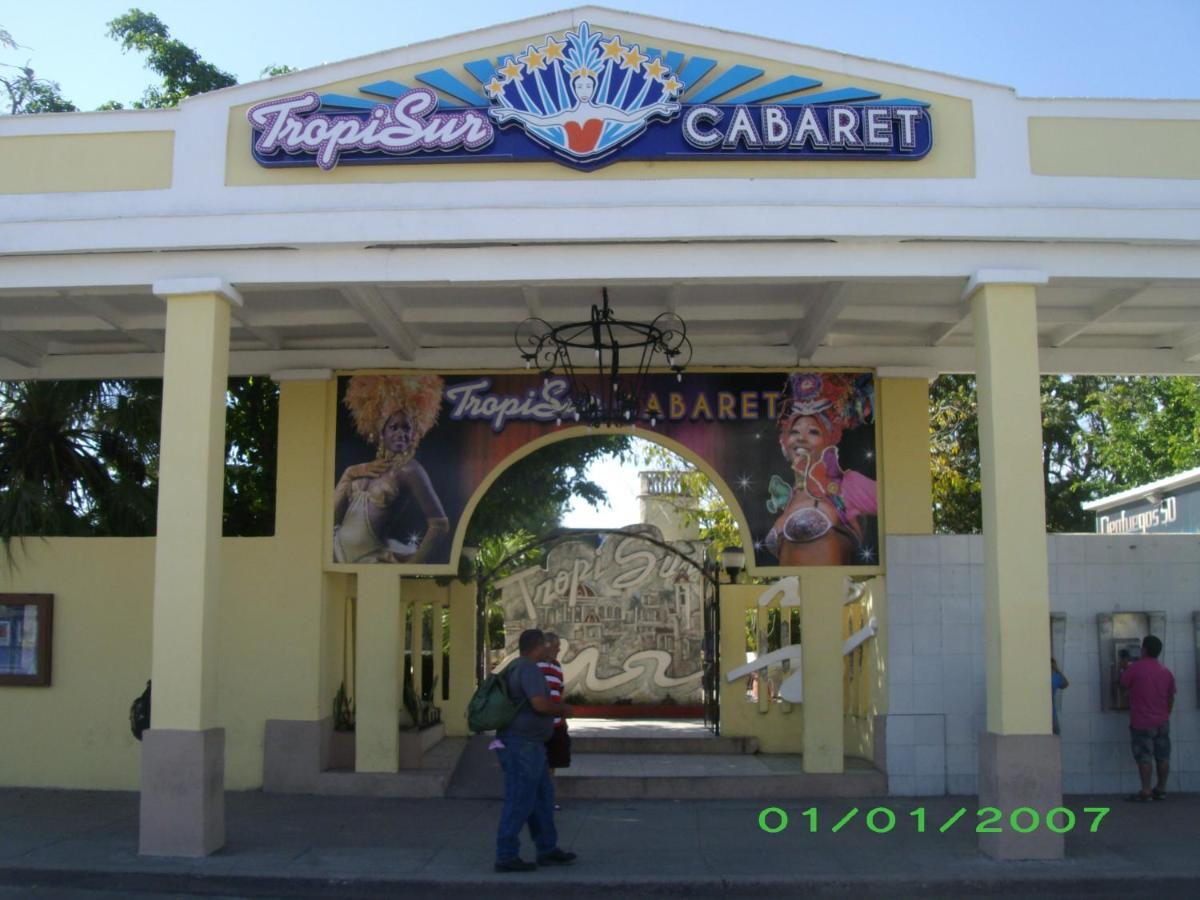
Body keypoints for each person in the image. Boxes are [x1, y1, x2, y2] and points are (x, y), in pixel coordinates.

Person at [333, 374, 449, 563]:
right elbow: (331, 519)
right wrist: (349, 474)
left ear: (414, 434)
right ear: (382, 433)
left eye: (406, 428)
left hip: (369, 561)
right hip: (336, 552)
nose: (401, 433)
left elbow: (440, 525)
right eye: (394, 427)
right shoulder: (364, 469)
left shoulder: (410, 470)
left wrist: (410, 568)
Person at [764, 373, 877, 565]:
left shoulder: (846, 485)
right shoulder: (790, 495)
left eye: (813, 432)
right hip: (790, 592)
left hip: (832, 592)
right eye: (795, 431)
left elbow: (897, 504)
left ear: (829, 441)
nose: (801, 438)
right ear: (784, 441)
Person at [493, 628, 576, 872]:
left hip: (531, 744)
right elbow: (539, 704)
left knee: (542, 798)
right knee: (520, 799)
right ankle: (506, 855)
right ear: (537, 646)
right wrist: (562, 709)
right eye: (546, 645)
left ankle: (547, 848)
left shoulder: (516, 666)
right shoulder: (528, 668)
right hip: (522, 745)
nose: (551, 649)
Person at [1119, 635, 1176, 802]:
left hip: (1142, 721)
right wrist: (1166, 713)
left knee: (1144, 756)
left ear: (1143, 649)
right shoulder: (1165, 671)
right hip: (1162, 720)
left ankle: (1146, 791)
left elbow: (1122, 684)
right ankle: (1161, 789)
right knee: (1163, 756)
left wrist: (1123, 666)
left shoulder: (1135, 668)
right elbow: (1171, 697)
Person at [538, 633, 571, 810]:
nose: (559, 649)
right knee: (537, 763)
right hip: (539, 724)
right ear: (546, 645)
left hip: (556, 724)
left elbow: (560, 692)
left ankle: (547, 799)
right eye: (556, 645)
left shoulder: (557, 667)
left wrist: (563, 718)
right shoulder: (533, 666)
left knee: (552, 763)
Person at [1050, 657, 1069, 735]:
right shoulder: (1055, 677)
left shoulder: (1054, 677)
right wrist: (1057, 669)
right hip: (1051, 714)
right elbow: (1065, 684)